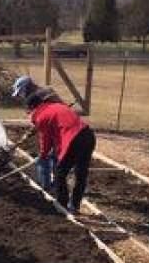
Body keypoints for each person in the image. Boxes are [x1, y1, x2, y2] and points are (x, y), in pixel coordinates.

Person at [25, 86, 96, 214]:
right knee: (81, 174)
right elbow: (58, 129)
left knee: (60, 173)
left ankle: (62, 205)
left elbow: (45, 140)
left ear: (32, 108)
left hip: (74, 139)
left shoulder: (40, 116)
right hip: (88, 136)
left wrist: (43, 155)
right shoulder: (56, 106)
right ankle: (74, 206)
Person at [11, 76, 64, 190]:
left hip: (56, 129)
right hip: (58, 127)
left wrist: (30, 134)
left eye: (20, 93)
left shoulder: (37, 97)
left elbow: (41, 120)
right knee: (53, 157)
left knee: (45, 157)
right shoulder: (45, 92)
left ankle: (46, 188)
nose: (21, 96)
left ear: (26, 88)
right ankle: (54, 185)